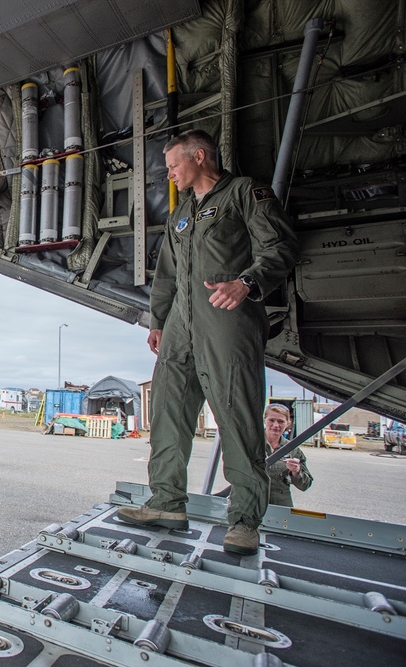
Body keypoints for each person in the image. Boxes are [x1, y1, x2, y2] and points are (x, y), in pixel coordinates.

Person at [116, 129, 298, 556]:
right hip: (181, 323)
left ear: (199, 156)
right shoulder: (181, 215)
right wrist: (158, 320)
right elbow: (167, 274)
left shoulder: (243, 194)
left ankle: (244, 521)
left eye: (174, 164)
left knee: (237, 414)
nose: (170, 173)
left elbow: (281, 246)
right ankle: (166, 502)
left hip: (228, 319)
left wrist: (247, 284)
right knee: (167, 408)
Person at [264, 404, 313, 507]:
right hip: (251, 505)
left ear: (288, 423)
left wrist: (296, 471)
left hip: (281, 505)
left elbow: (305, 485)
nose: (276, 425)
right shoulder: (251, 445)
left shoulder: (293, 449)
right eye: (271, 420)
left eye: (281, 421)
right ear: (264, 420)